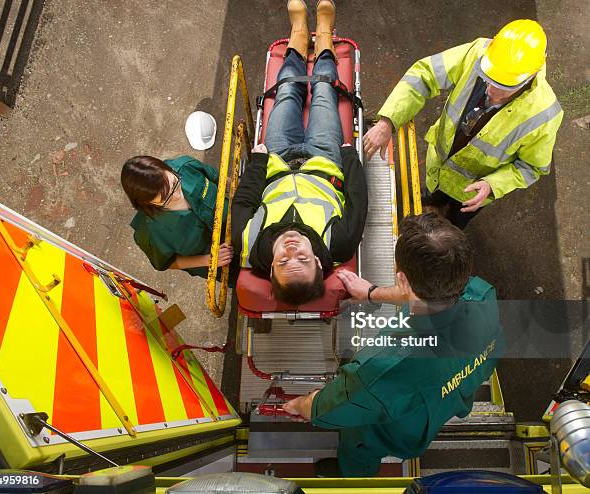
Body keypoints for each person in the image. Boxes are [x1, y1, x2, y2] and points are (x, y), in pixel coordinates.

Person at [283, 213, 503, 477]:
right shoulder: (483, 295)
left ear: (402, 280)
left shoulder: (384, 366)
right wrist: (372, 292)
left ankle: (354, 476)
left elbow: (330, 408)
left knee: (359, 448)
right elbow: (428, 293)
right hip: (446, 401)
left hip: (391, 432)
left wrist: (301, 405)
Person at [364, 20, 563, 229]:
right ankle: (436, 197)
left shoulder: (544, 115)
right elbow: (425, 74)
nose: (491, 91)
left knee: (453, 224)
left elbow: (531, 167)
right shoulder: (478, 52)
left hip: (471, 192)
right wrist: (388, 121)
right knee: (435, 191)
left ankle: (450, 222)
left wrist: (493, 185)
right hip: (440, 165)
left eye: (504, 87)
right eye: (488, 78)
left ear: (532, 75)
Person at [232, 0, 367, 305]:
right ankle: (324, 33)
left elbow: (244, 199)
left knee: (288, 90)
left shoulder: (249, 244)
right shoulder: (340, 244)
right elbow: (359, 198)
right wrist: (348, 156)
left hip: (277, 158)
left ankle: (297, 34)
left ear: (270, 271)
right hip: (324, 159)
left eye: (282, 261)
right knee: (322, 91)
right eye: (303, 260)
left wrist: (259, 161)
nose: (291, 249)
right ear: (319, 264)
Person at [121, 155, 234, 279]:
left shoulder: (185, 167)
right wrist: (210, 260)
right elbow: (168, 262)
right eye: (166, 198)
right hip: (222, 262)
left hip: (236, 220)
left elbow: (220, 179)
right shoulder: (150, 234)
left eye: (174, 184)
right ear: (147, 202)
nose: (177, 195)